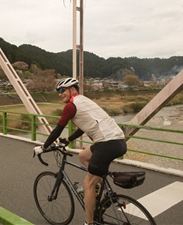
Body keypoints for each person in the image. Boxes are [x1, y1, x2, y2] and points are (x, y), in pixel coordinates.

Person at [33, 77, 127, 225]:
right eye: (58, 91)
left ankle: (88, 222)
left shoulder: (70, 106)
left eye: (62, 90)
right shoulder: (83, 100)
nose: (60, 94)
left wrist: (43, 147)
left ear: (72, 90)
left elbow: (58, 129)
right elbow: (84, 126)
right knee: (83, 156)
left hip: (106, 144)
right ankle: (105, 190)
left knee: (87, 184)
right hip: (118, 141)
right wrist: (68, 140)